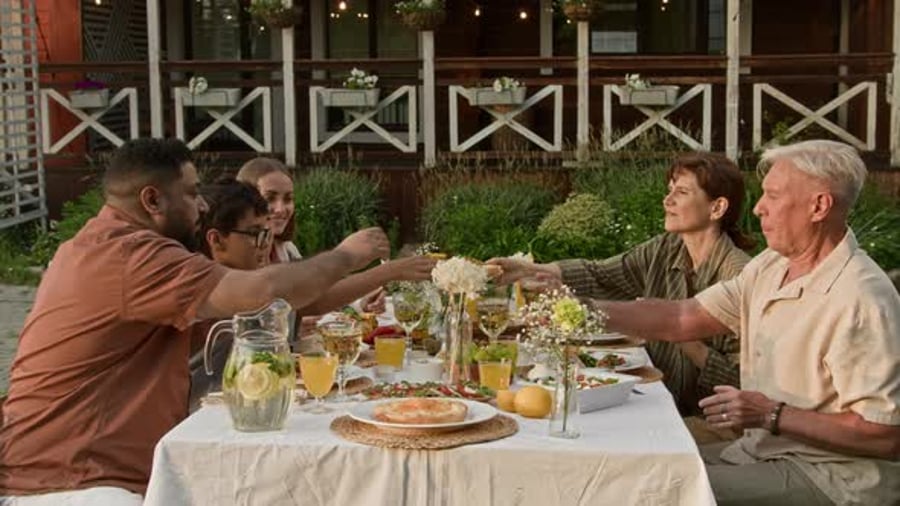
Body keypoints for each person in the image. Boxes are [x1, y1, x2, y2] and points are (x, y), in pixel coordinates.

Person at [0, 138, 391, 505]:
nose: (202, 205)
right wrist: (346, 255)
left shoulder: (103, 244)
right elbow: (259, 292)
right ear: (152, 199)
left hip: (83, 471)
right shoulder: (128, 254)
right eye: (190, 193)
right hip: (68, 482)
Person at [591, 140, 900, 505]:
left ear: (818, 206)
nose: (758, 208)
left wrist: (771, 414)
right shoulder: (771, 266)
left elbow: (884, 434)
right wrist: (578, 311)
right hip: (758, 451)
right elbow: (682, 317)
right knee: (625, 470)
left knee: (655, 491)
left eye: (773, 196)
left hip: (832, 477)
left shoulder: (862, 299)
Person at [491, 152, 753, 420]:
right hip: (653, 400)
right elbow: (601, 275)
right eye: (669, 190)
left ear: (717, 208)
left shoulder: (740, 275)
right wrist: (528, 270)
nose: (668, 200)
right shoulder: (666, 248)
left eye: (682, 192)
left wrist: (682, 334)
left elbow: (744, 380)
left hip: (701, 420)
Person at [235, 157, 435, 343]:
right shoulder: (243, 256)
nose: (280, 209)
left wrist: (359, 303)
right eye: (270, 198)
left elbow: (312, 296)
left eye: (288, 199)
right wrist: (386, 271)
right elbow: (308, 302)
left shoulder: (285, 249)